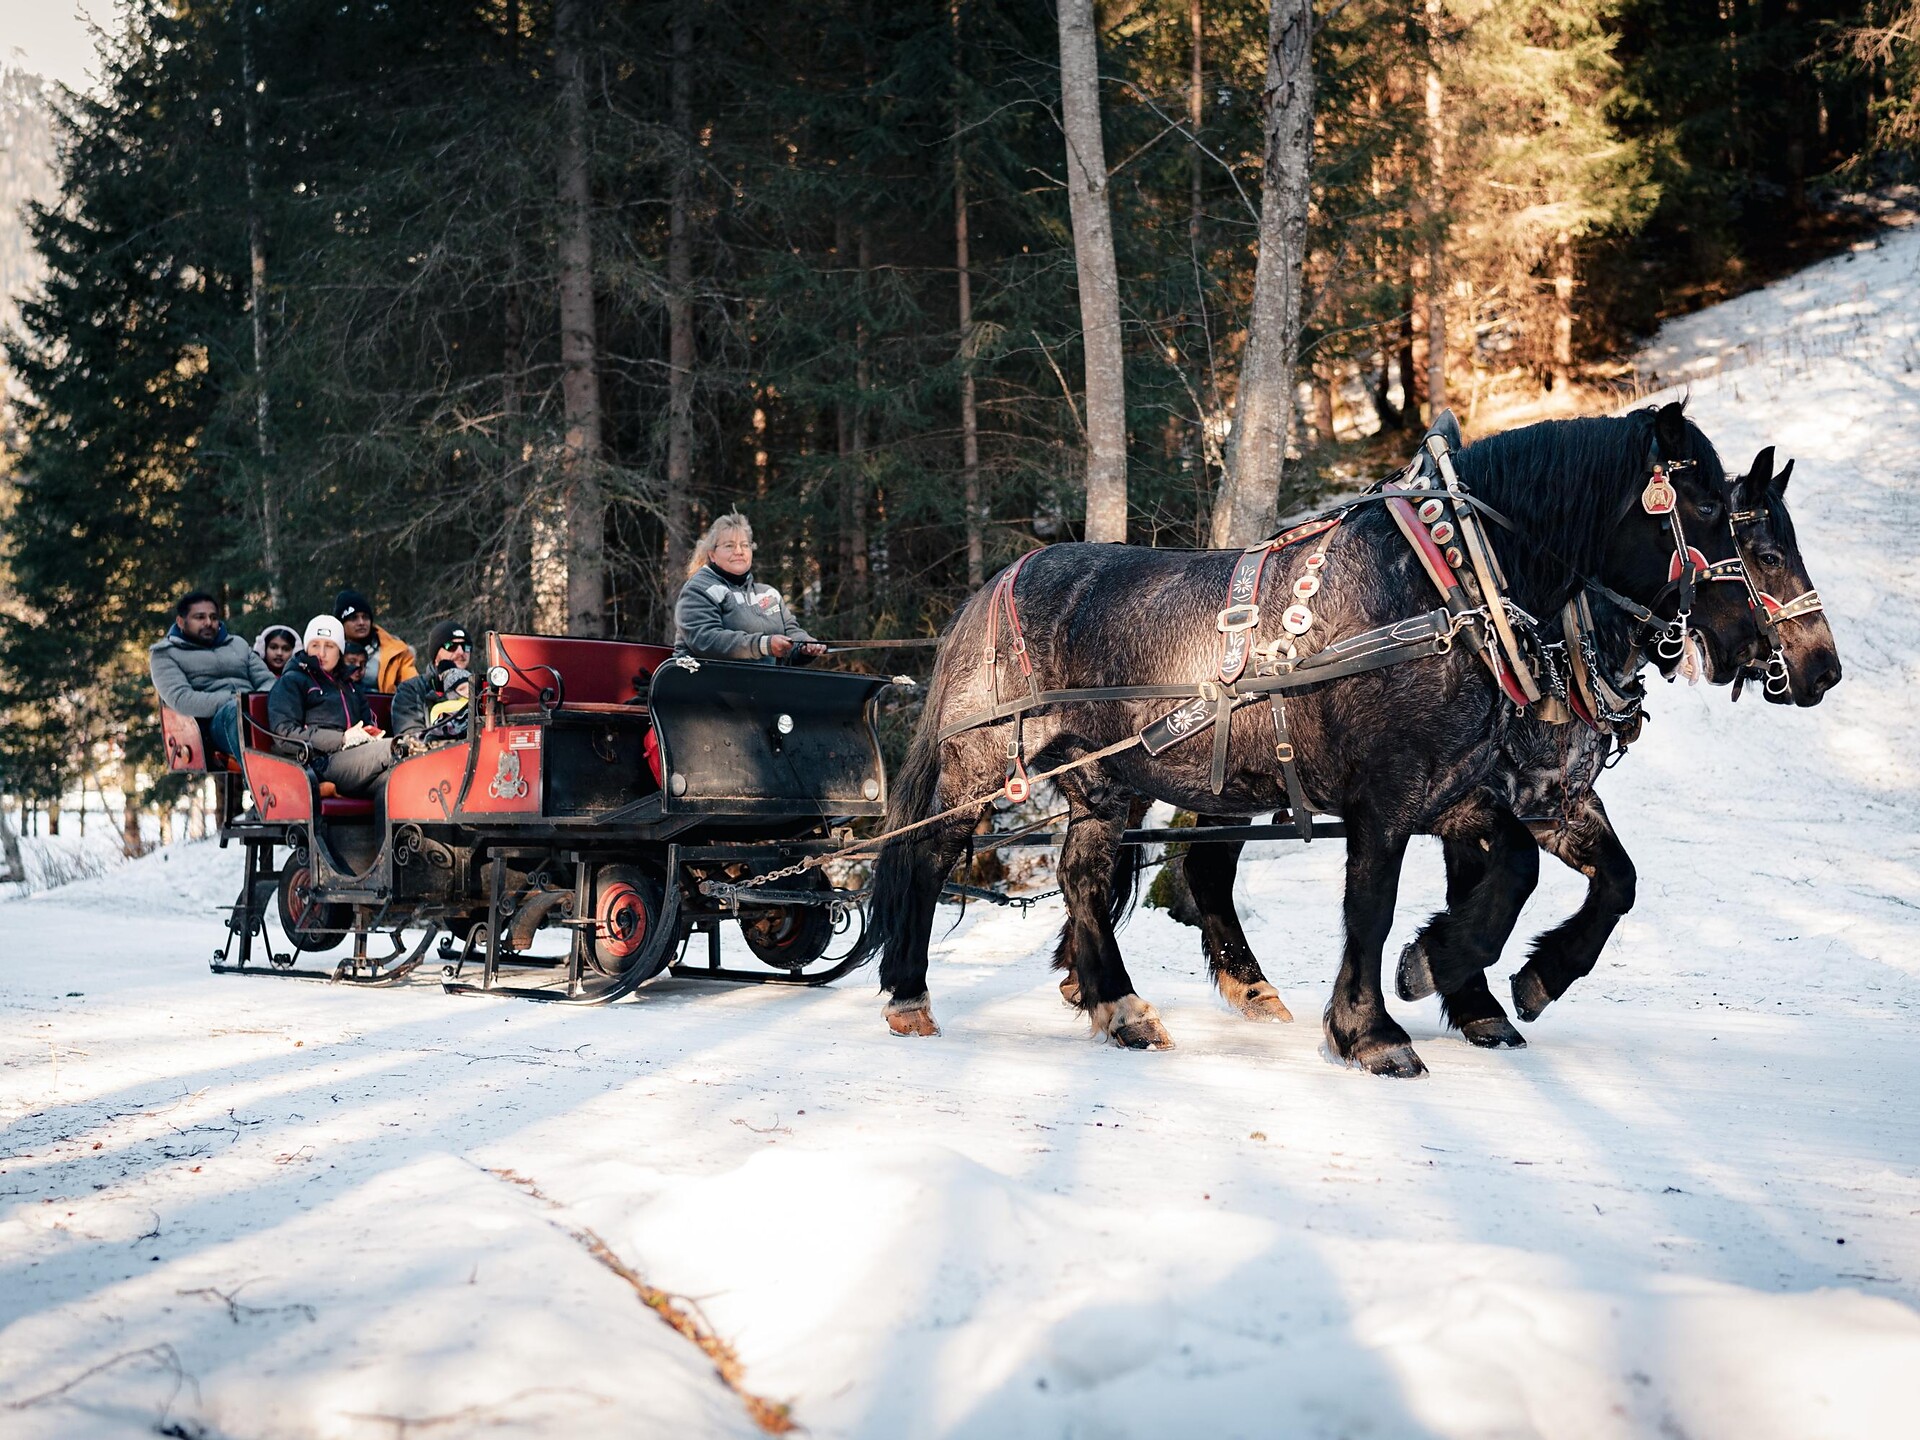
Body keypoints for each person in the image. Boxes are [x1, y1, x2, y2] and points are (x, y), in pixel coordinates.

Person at [268, 615, 396, 804]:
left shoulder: (349, 686)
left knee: (396, 781)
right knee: (395, 747)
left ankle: (391, 826)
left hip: (353, 762)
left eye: (329, 646)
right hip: (317, 764)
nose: (321, 653)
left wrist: (369, 733)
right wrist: (342, 739)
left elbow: (367, 721)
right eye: (315, 645)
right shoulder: (292, 681)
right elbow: (284, 734)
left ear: (340, 651)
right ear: (306, 647)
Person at [674, 512, 826, 664]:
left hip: (762, 678)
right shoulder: (698, 590)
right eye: (729, 546)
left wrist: (804, 645)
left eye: (745, 545)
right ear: (712, 555)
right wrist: (762, 645)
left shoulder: (768, 593)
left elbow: (791, 632)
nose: (739, 551)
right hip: (704, 676)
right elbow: (706, 640)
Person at [149, 590, 275, 760]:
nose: (209, 623)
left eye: (214, 617)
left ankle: (308, 766)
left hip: (256, 709)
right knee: (235, 713)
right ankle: (259, 773)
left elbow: (267, 680)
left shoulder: (238, 644)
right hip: (214, 725)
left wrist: (256, 701)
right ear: (181, 621)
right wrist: (238, 701)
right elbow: (182, 699)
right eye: (200, 617)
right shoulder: (165, 653)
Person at [392, 620, 474, 739]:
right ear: (435, 657)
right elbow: (411, 738)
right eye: (451, 646)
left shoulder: (481, 687)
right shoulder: (411, 690)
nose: (461, 652)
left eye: (466, 646)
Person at [333, 588, 418, 693]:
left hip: (383, 702)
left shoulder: (395, 652)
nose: (361, 622)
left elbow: (414, 688)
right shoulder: (328, 650)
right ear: (341, 624)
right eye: (353, 618)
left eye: (365, 617)